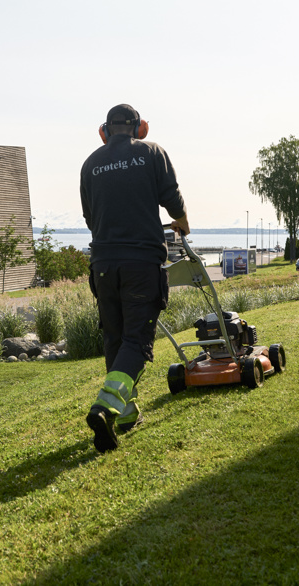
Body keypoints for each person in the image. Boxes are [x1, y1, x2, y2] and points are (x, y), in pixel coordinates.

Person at [80, 104, 190, 453]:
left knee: (114, 337)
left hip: (102, 264)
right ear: (140, 128)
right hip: (141, 263)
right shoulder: (152, 152)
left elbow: (89, 217)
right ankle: (105, 407)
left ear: (105, 131)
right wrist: (182, 220)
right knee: (138, 342)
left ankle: (125, 414)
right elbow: (171, 198)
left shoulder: (90, 164)